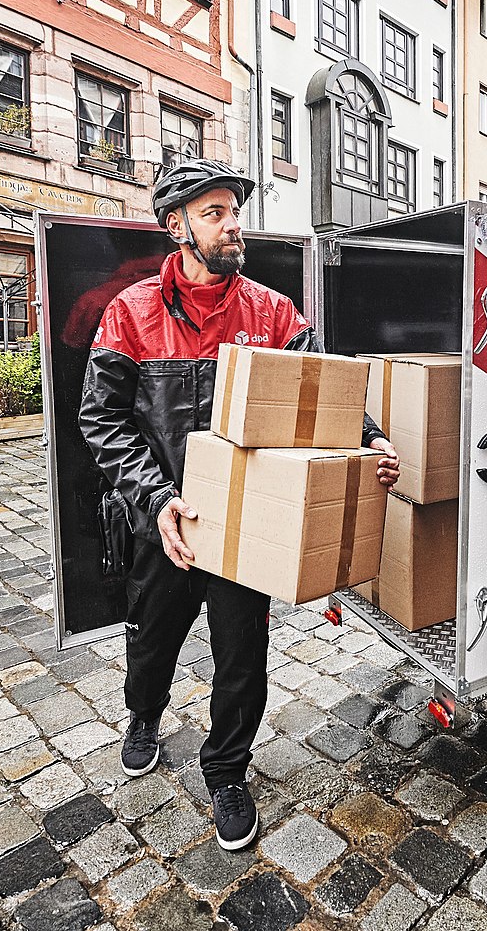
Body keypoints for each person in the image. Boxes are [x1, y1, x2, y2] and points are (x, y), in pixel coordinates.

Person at [79, 159, 399, 851]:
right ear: (177, 227)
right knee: (151, 643)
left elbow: (325, 395)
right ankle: (143, 715)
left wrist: (371, 440)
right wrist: (155, 499)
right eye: (215, 213)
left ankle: (225, 770)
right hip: (163, 522)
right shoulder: (130, 312)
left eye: (233, 210)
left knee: (242, 657)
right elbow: (100, 422)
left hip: (246, 528)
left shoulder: (271, 311)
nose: (232, 224)